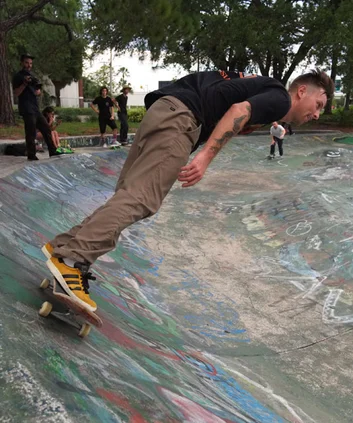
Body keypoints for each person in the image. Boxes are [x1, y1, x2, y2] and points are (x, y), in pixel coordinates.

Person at [42, 69, 334, 312]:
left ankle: (64, 247)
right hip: (180, 119)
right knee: (142, 199)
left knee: (129, 195)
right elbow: (238, 110)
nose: (317, 114)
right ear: (301, 92)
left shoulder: (263, 89)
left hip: (164, 109)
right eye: (318, 105)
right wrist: (205, 155)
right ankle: (72, 260)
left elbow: (227, 103)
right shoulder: (281, 98)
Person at [12, 54, 63, 161]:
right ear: (21, 63)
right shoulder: (18, 76)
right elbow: (16, 93)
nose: (29, 65)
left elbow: (38, 92)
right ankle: (31, 155)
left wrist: (38, 91)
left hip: (35, 108)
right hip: (26, 108)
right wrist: (24, 84)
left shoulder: (33, 76)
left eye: (30, 63)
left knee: (46, 128)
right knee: (30, 132)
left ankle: (53, 151)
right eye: (26, 63)